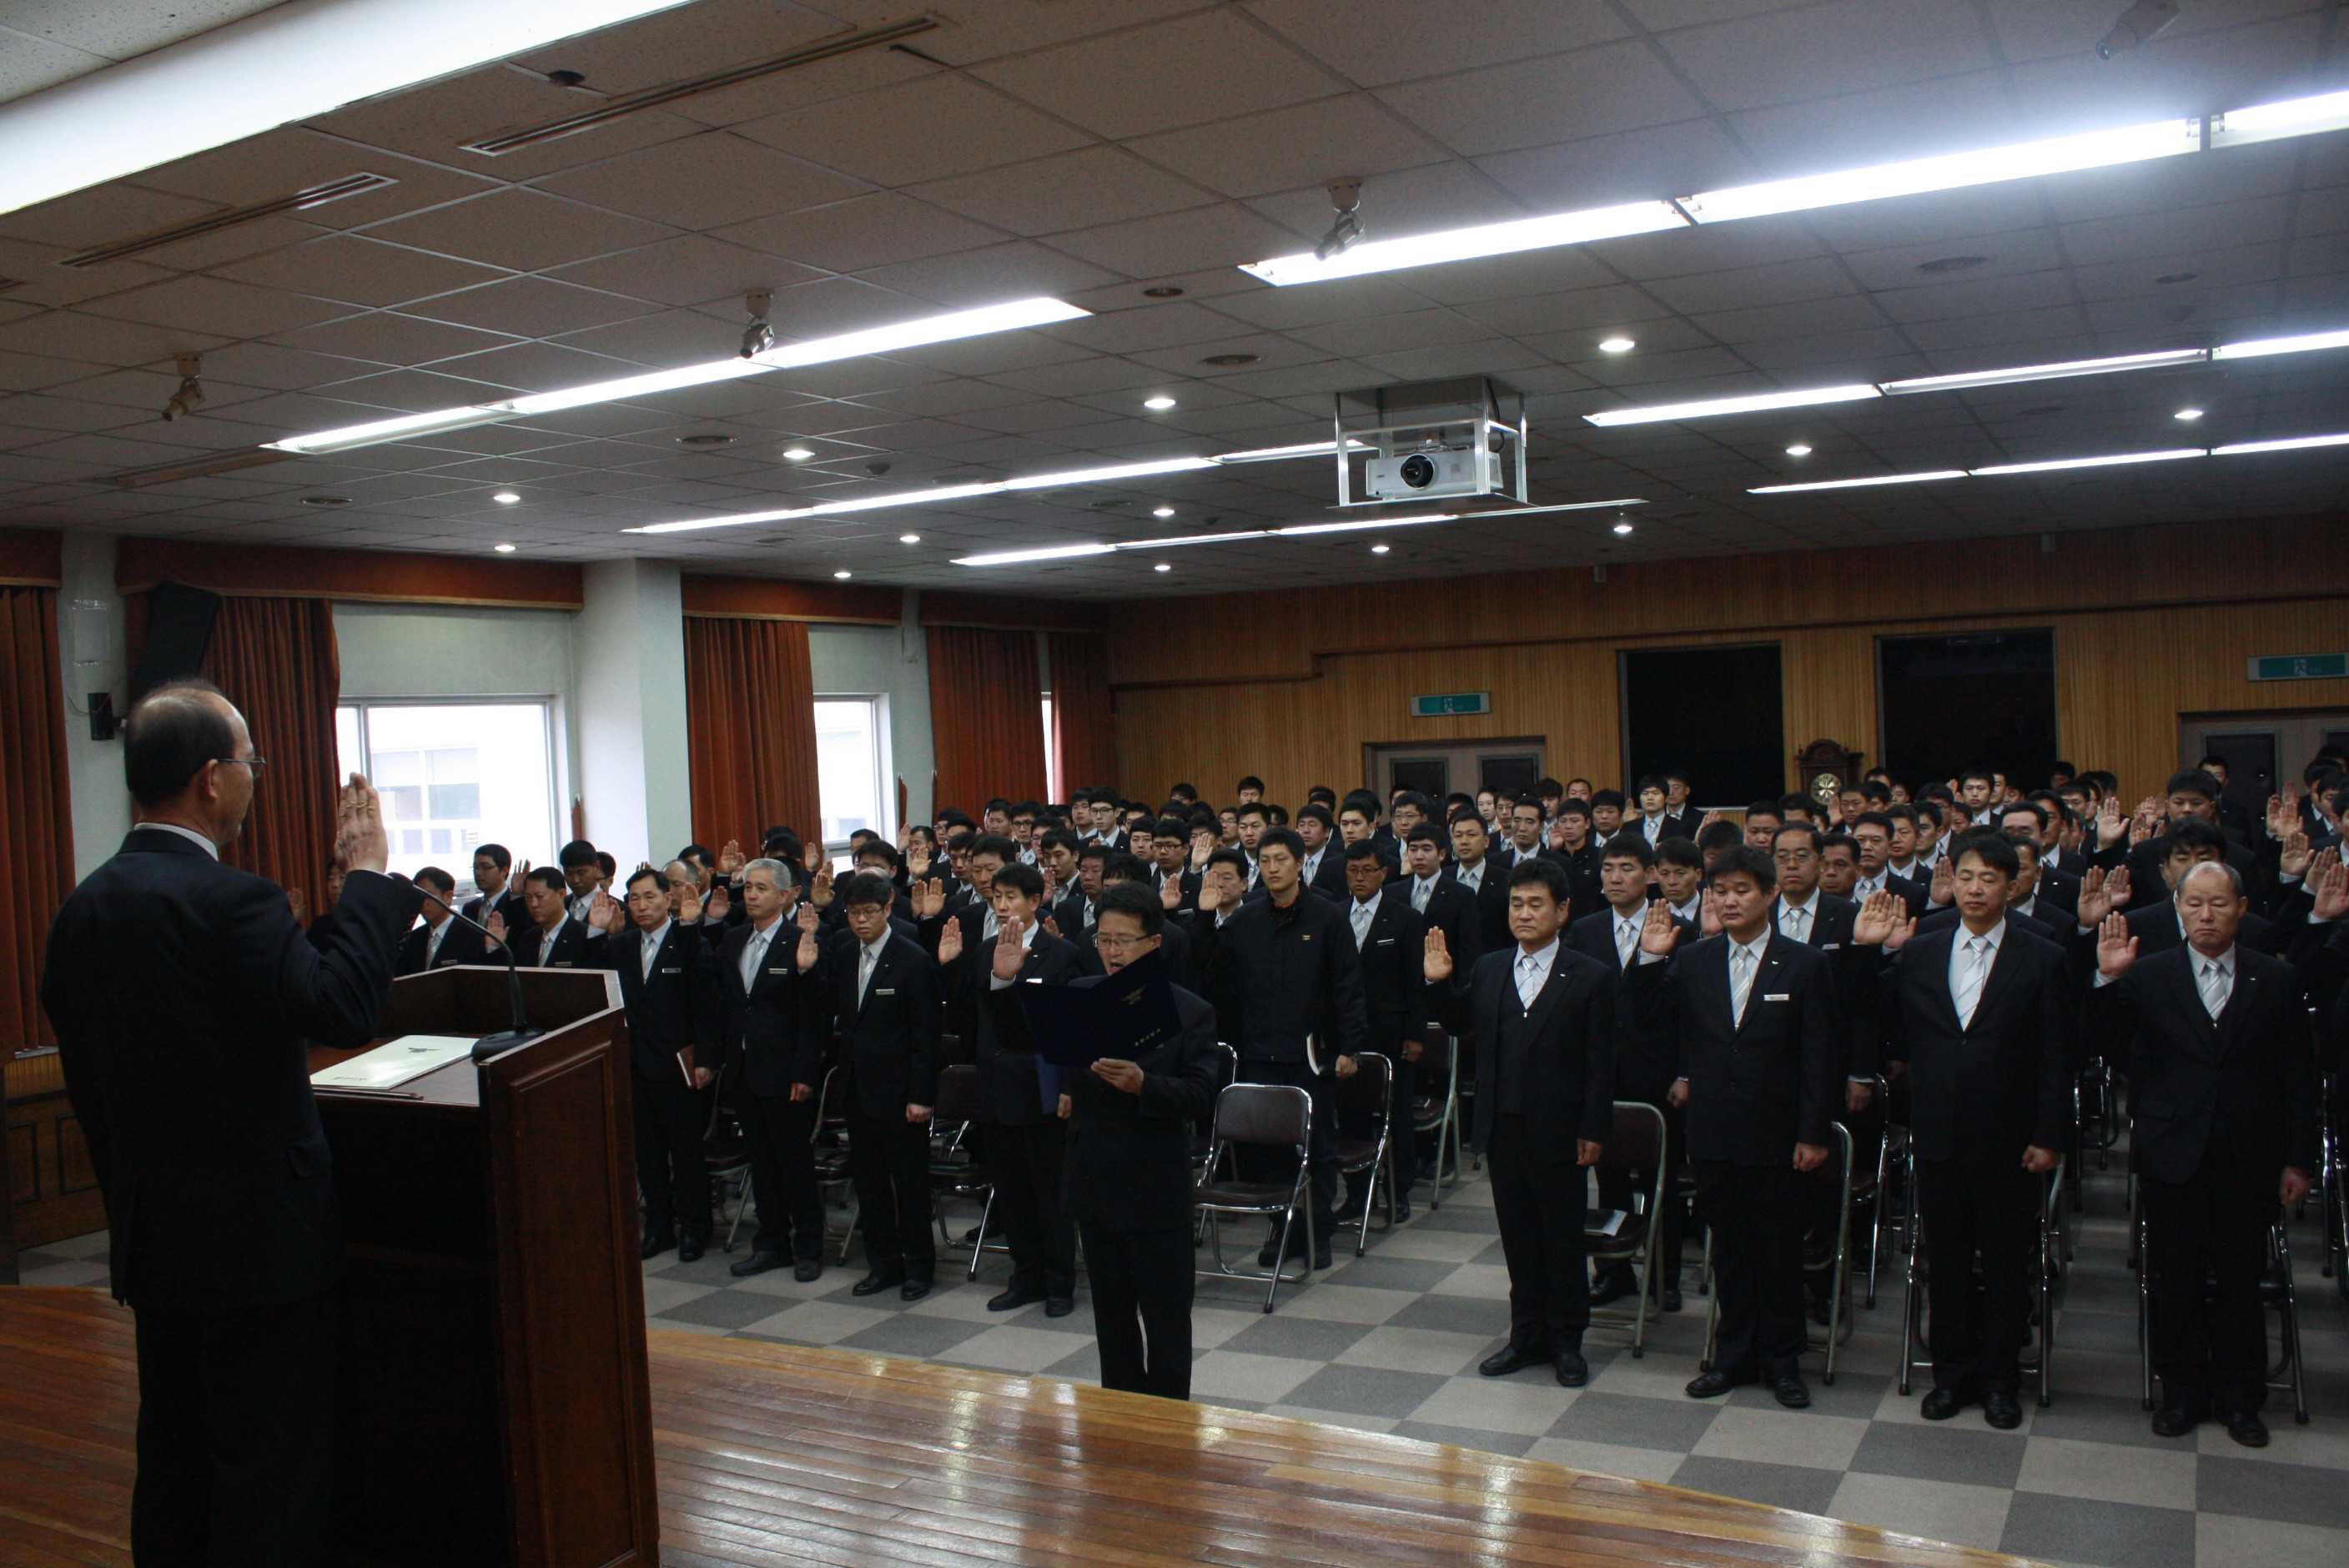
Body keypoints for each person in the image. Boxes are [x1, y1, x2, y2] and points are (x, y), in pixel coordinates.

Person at [42, 680, 425, 1564]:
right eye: (252, 762)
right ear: (212, 778)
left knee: (174, 1461)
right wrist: (369, 876)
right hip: (262, 1249)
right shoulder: (234, 902)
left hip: (154, 1240)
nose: (256, 776)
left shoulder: (82, 909)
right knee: (269, 1473)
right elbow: (342, 1006)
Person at [2090, 863, 2317, 1446]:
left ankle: (2241, 1399)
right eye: (2194, 904)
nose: (2206, 916)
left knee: (2242, 1280)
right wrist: (2109, 982)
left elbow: (2298, 1074)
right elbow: (2107, 1050)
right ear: (2179, 909)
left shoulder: (2275, 977)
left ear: (2242, 908)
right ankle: (2181, 1393)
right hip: (2173, 1152)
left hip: (2249, 1154)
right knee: (2177, 1278)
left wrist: (2298, 1159)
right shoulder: (2148, 973)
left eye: (2218, 903)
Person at [1630, 847, 1842, 1410]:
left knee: (1777, 1251)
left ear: (1770, 894)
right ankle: (1732, 1355)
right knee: (1728, 1250)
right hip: (1713, 1131)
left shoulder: (1804, 963)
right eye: (1720, 891)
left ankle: (1783, 1361)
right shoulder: (1695, 959)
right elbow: (1649, 1024)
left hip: (1778, 1134)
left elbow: (1819, 1057)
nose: (1729, 901)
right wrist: (1649, 960)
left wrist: (1813, 1132)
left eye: (1742, 890)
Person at [1882, 832, 2070, 1430]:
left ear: (2011, 887)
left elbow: (2056, 1057)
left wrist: (2049, 1134)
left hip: (2011, 1137)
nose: (1975, 889)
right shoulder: (1921, 951)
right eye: (1966, 876)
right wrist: (1872, 952)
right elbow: (1891, 1031)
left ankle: (2000, 1380)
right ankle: (1951, 1376)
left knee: (2008, 1265)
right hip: (1938, 1132)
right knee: (1947, 1261)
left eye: (1989, 878)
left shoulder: (2043, 956)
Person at [1426, 857, 1614, 1385]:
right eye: (1516, 904)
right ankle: (1525, 1335)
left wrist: (1594, 1129)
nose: (1524, 914)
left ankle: (1568, 1340)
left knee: (1562, 1237)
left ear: (1562, 911)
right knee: (1519, 1236)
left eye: (1536, 904)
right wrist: (1438, 984)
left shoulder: (1591, 975)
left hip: (1563, 1128)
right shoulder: (1490, 967)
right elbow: (1461, 1025)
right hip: (1503, 1124)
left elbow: (1601, 1063)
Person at [1034, 886, 1219, 1398]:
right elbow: (1038, 1050)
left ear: (1153, 944)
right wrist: (1006, 983)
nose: (1111, 951)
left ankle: (1168, 1425)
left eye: (1123, 941)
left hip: (1155, 1188)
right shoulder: (1083, 995)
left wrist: (1145, 1085)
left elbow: (1203, 1095)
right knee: (1111, 1323)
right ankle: (1118, 1421)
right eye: (1103, 939)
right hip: (1095, 1180)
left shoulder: (1190, 1010)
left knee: (1166, 1323)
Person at [1192, 826, 1369, 1271]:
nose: (1272, 869)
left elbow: (1348, 985)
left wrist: (1350, 1047)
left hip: (1310, 1053)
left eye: (1281, 860)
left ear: (1299, 864)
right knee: (1269, 1147)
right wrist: (1205, 920)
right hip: (1258, 1052)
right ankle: (1283, 1229)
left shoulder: (1327, 917)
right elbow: (1211, 979)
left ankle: (1318, 1233)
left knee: (1317, 1148)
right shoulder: (1246, 919)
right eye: (1265, 861)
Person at [939, 861, 1084, 1315]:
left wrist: (1069, 1087)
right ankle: (1026, 1276)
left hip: (1042, 1087)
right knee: (1011, 1191)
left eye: (1011, 898)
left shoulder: (1062, 954)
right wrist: (950, 968)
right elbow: (966, 1018)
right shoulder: (984, 951)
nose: (1001, 906)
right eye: (996, 898)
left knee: (1049, 1193)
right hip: (996, 1086)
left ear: (1035, 901)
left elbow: (1067, 1031)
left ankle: (1059, 1283)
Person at [1567, 834, 1693, 1311]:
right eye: (1608, 869)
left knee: (1663, 1180)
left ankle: (1666, 1275)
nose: (1615, 878)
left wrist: (1686, 1072)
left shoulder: (1681, 930)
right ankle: (1613, 1272)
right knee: (1610, 1178)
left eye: (1626, 868)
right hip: (1601, 1073)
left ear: (1651, 875)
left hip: (1658, 1073)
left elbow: (1691, 1010)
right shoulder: (1585, 930)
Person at [815, 872, 941, 1300]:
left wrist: (921, 1096)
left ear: (888, 909)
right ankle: (883, 1264)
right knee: (869, 1186)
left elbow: (926, 1036)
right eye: (854, 913)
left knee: (909, 1186)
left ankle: (919, 1268)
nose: (861, 921)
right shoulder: (843, 953)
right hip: (857, 1089)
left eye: (869, 912)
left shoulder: (912, 959)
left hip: (902, 1093)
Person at [707, 859, 827, 1283]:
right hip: (744, 1070)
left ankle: (808, 1246)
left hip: (786, 1072)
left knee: (794, 1164)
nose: (752, 895)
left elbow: (813, 1016)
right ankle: (771, 1243)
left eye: (761, 888)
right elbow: (723, 1003)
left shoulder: (801, 940)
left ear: (786, 895)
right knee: (760, 1163)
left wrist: (805, 1073)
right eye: (748, 888)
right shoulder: (733, 938)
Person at [609, 866, 716, 1262]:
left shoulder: (687, 941)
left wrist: (706, 1058)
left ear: (668, 899)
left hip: (677, 1066)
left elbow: (705, 1003)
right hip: (634, 1065)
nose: (641, 906)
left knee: (685, 1153)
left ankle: (695, 1228)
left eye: (649, 897)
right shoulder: (621, 945)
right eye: (634, 898)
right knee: (648, 1153)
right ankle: (659, 1227)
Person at [1335, 841, 1427, 1224]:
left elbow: (1415, 982)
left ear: (1384, 873)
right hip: (1347, 1033)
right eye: (1353, 870)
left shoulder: (1405, 918)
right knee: (1351, 1114)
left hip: (1391, 1030)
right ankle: (1358, 1194)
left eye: (1367, 870)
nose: (1359, 878)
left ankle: (1397, 1191)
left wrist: (1415, 1034)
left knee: (1397, 1114)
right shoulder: (1335, 915)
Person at [393, 864, 489, 976]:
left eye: (428, 895)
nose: (423, 902)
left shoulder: (473, 934)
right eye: (419, 897)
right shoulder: (413, 938)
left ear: (448, 897)